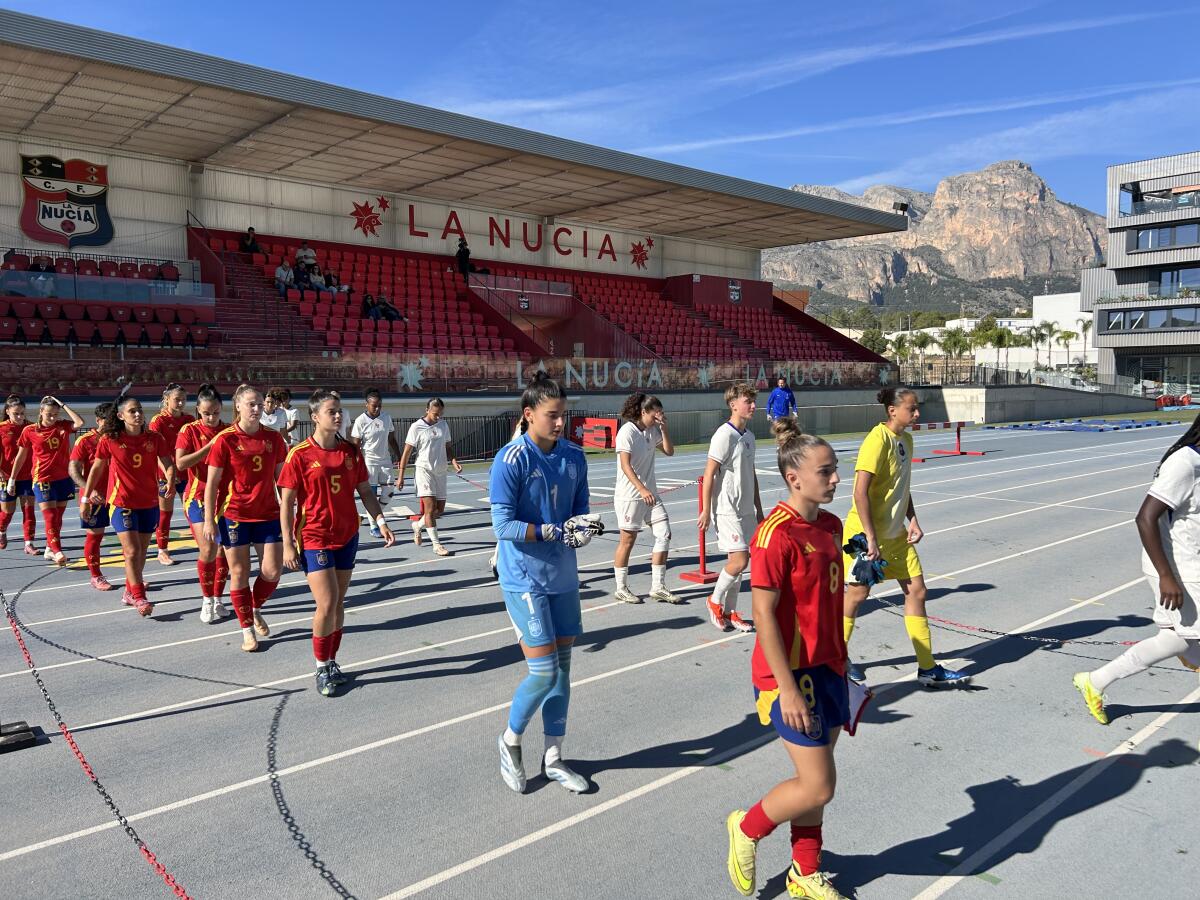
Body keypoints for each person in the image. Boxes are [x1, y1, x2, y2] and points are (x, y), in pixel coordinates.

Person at [726, 418, 850, 900]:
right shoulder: (774, 533)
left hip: (830, 667)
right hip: (790, 675)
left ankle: (804, 870)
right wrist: (787, 686)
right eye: (826, 472)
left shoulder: (832, 526)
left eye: (835, 469)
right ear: (794, 477)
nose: (835, 478)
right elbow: (763, 615)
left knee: (812, 779)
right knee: (819, 786)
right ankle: (748, 827)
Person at [490, 374, 602, 794]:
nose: (560, 423)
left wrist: (582, 528)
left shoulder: (574, 455)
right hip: (523, 578)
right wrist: (553, 531)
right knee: (543, 671)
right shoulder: (511, 459)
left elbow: (580, 511)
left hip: (563, 577)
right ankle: (510, 741)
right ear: (529, 414)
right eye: (552, 416)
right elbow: (502, 525)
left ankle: (553, 756)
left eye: (563, 415)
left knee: (564, 672)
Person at [1074, 416, 1200, 723]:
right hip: (1177, 569)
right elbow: (1145, 518)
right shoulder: (1186, 462)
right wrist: (1167, 577)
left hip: (1191, 562)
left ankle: (1095, 681)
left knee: (1178, 640)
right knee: (1184, 640)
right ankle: (1095, 680)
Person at [841, 387, 969, 687]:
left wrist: (913, 520)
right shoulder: (877, 440)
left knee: (917, 592)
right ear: (892, 410)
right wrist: (870, 538)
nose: (917, 413)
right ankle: (836, 657)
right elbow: (859, 492)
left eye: (916, 408)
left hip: (896, 535)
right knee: (858, 595)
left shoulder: (906, 440)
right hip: (866, 534)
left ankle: (927, 667)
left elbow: (900, 485)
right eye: (911, 408)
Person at [280, 389, 396, 697]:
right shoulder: (300, 454)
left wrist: (381, 522)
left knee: (339, 603)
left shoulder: (350, 452)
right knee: (327, 603)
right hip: (315, 536)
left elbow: (366, 492)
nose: (338, 415)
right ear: (315, 416)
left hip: (347, 535)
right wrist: (288, 543)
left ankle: (332, 661)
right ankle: (320, 666)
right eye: (331, 411)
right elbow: (286, 501)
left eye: (339, 410)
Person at [203, 384, 288, 652]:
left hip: (268, 514)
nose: (256, 408)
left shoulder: (273, 439)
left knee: (272, 571)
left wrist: (290, 512)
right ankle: (247, 630)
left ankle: (254, 606)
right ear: (237, 406)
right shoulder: (225, 439)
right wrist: (208, 520)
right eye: (251, 404)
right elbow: (212, 484)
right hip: (234, 514)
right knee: (239, 573)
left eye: (260, 404)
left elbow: (282, 481)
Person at [81, 395, 176, 616]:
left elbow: (168, 464)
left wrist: (170, 480)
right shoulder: (110, 439)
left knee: (141, 551)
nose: (137, 414)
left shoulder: (155, 438)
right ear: (121, 416)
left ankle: (129, 590)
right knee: (131, 551)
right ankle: (139, 596)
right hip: (122, 502)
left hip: (149, 502)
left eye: (139, 410)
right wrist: (85, 498)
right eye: (132, 411)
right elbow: (96, 470)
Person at [699, 383, 763, 634]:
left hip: (746, 509)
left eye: (754, 401)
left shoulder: (749, 436)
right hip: (727, 509)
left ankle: (730, 611)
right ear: (733, 404)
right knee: (740, 560)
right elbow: (709, 473)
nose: (753, 406)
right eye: (748, 401)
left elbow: (752, 473)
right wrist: (706, 510)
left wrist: (758, 507)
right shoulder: (723, 435)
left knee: (739, 563)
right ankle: (714, 601)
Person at [612, 393, 681, 605]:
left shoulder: (653, 430)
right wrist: (641, 489)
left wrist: (664, 428)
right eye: (655, 414)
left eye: (661, 413)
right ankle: (621, 588)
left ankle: (658, 586)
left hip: (651, 494)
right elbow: (625, 465)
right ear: (643, 412)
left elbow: (669, 452)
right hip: (630, 496)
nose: (658, 417)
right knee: (628, 540)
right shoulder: (627, 431)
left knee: (664, 533)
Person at [176, 384, 231, 625]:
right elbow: (181, 463)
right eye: (206, 413)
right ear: (198, 410)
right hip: (197, 497)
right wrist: (209, 447)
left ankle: (218, 597)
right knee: (208, 549)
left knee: (225, 552)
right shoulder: (189, 430)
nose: (211, 417)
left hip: (224, 499)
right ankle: (207, 599)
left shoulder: (228, 431)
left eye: (216, 412)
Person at [8, 395, 84, 565]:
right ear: (41, 411)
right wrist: (12, 479)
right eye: (49, 414)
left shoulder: (62, 425)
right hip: (42, 478)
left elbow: (79, 423)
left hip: (63, 478)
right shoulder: (30, 431)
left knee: (58, 518)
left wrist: (62, 404)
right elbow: (21, 456)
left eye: (55, 415)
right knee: (50, 517)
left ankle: (50, 548)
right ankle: (57, 551)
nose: (52, 418)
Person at [398, 398, 462, 557]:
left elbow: (448, 446)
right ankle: (437, 545)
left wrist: (454, 461)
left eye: (440, 414)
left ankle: (418, 526)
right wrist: (401, 476)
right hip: (423, 470)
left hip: (440, 471)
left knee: (438, 511)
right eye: (435, 414)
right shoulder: (416, 427)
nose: (438, 417)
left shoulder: (444, 425)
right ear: (427, 410)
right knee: (430, 508)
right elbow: (406, 452)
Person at [69, 403, 114, 590]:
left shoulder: (118, 438)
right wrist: (90, 490)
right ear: (98, 420)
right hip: (95, 498)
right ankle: (96, 576)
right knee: (95, 537)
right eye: (108, 421)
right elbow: (73, 469)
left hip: (119, 495)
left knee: (131, 539)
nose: (112, 425)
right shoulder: (85, 441)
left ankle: (133, 578)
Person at [148, 384, 194, 566]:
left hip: (186, 472)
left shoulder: (189, 419)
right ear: (166, 399)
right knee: (165, 513)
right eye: (177, 399)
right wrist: (169, 474)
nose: (181, 403)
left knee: (192, 510)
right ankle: (162, 550)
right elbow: (155, 451)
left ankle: (205, 545)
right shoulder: (158, 421)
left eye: (183, 399)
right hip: (165, 474)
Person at [348, 389, 400, 536]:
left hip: (385, 460)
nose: (377, 408)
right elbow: (355, 445)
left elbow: (391, 439)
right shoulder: (360, 421)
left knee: (389, 492)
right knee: (371, 494)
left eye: (379, 406)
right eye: (374, 405)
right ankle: (374, 525)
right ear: (367, 405)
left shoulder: (386, 418)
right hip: (369, 461)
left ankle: (372, 516)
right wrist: (355, 463)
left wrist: (399, 455)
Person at [0, 394, 38, 554]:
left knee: (29, 510)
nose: (20, 417)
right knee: (7, 512)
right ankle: (2, 531)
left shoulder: (30, 427)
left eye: (22, 413)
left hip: (29, 476)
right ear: (8, 411)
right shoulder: (1, 428)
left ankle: (28, 543)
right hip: (7, 477)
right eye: (16, 413)